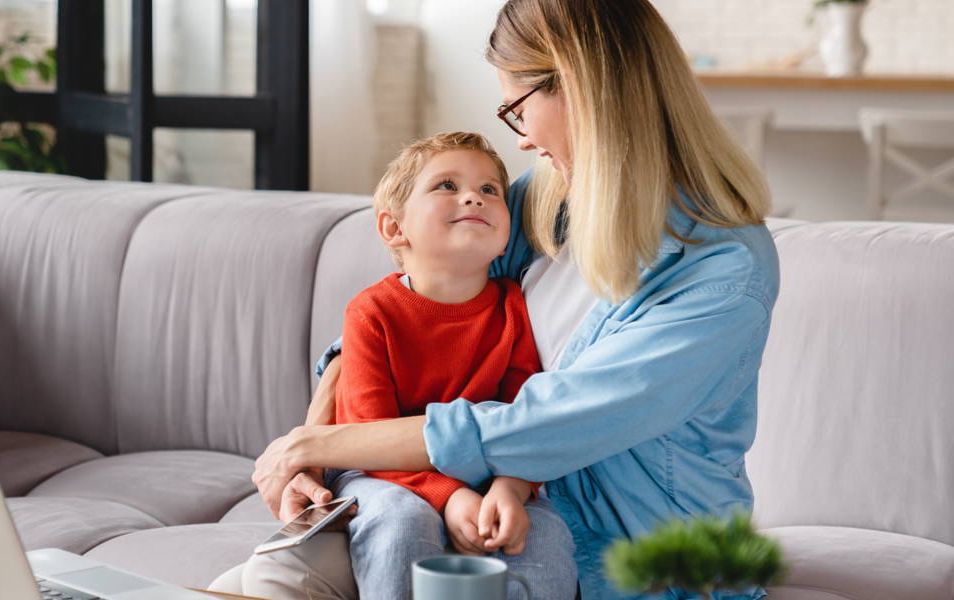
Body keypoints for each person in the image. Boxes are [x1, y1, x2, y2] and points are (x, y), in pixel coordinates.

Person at [219, 0, 779, 598]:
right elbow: (413, 315)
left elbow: (545, 422)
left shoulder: (721, 270)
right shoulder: (551, 199)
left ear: (580, 86)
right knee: (267, 577)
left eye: (517, 108)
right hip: (478, 512)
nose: (526, 140)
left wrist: (322, 443)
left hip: (627, 563)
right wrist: (309, 450)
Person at [308, 131, 576, 600]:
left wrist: (511, 491)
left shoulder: (516, 307)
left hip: (489, 475)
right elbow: (367, 437)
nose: (473, 195)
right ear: (394, 228)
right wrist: (449, 497)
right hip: (375, 472)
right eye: (446, 186)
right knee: (402, 520)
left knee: (544, 533)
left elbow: (526, 417)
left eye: (490, 189)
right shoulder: (371, 313)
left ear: (506, 236)